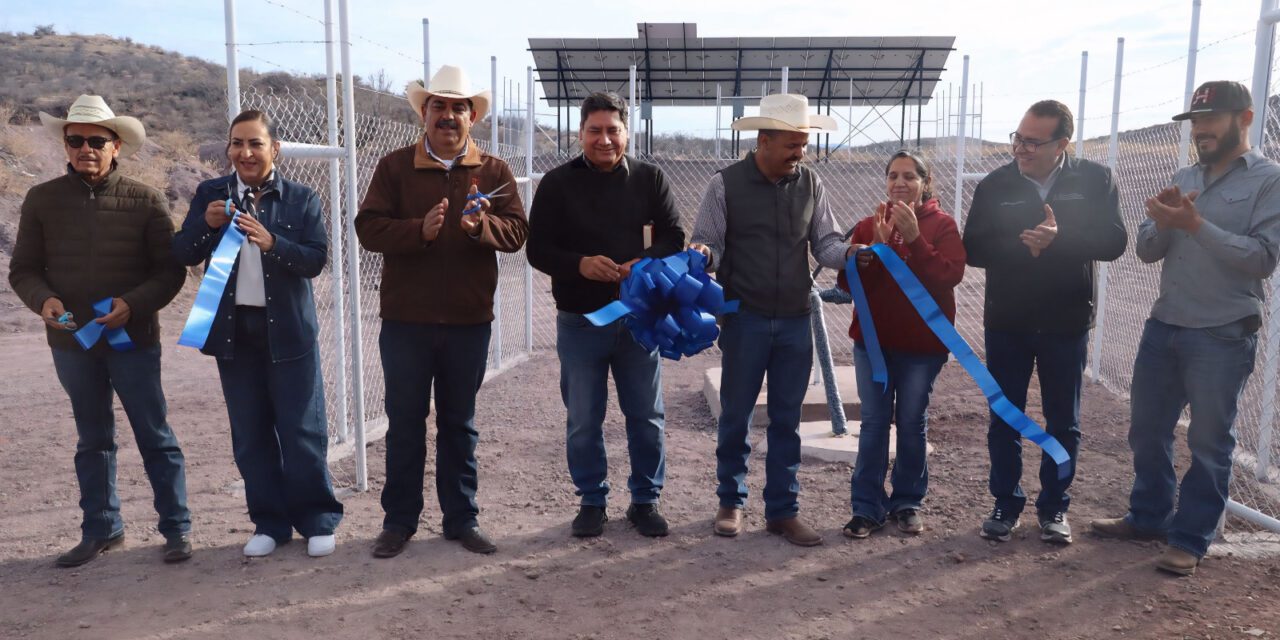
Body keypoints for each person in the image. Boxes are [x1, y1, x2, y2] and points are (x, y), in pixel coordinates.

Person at [1091, 81, 1280, 576]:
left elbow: (1262, 258)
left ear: (1245, 117)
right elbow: (1147, 251)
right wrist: (1164, 222)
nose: (1200, 130)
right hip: (1165, 326)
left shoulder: (1268, 180)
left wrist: (1196, 225)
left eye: (1210, 119)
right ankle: (1149, 516)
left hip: (1221, 333)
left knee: (1209, 442)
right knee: (1147, 431)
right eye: (1194, 121)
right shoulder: (1185, 174)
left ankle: (1190, 539)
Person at [9, 94, 191, 566]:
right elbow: (23, 269)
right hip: (71, 342)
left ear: (117, 146)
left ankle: (176, 531)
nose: (84, 148)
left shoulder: (146, 200)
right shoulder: (41, 199)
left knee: (155, 434)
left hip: (133, 341)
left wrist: (133, 305)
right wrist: (42, 301)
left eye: (96, 140)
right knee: (93, 439)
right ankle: (102, 530)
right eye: (75, 140)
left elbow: (170, 272)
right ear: (66, 145)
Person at [356, 65, 528, 558]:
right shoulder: (394, 167)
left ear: (472, 116)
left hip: (469, 321)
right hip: (406, 322)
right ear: (424, 113)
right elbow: (367, 228)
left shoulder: (494, 171)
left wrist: (479, 229)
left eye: (457, 108)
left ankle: (461, 519)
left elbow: (517, 233)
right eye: (438, 106)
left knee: (460, 423)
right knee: (404, 421)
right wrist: (419, 232)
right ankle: (399, 521)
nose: (448, 116)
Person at [173, 109, 344, 558]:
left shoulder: (302, 198)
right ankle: (269, 523)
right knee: (250, 433)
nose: (245, 152)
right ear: (228, 148)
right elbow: (183, 253)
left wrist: (274, 244)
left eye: (255, 143)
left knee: (302, 429)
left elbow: (314, 260)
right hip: (234, 332)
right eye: (236, 143)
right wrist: (206, 226)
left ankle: (317, 519)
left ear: (275, 149)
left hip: (288, 331)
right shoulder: (211, 193)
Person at [962, 99, 1127, 545]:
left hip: (1065, 321)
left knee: (1063, 421)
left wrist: (1060, 240)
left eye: (1033, 142)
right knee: (1005, 417)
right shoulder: (995, 184)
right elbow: (972, 246)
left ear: (1062, 144)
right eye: (1018, 138)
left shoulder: (1094, 180)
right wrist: (1026, 246)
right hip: (1008, 321)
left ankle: (1054, 508)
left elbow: (1114, 241)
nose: (1021, 149)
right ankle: (1005, 504)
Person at [690, 93, 849, 547]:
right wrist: (702, 254)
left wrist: (857, 254)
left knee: (787, 420)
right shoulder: (723, 185)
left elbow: (826, 245)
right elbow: (709, 243)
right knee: (736, 416)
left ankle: (783, 510)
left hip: (797, 321)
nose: (801, 152)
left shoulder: (812, 185)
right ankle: (731, 501)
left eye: (804, 143)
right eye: (793, 144)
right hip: (745, 320)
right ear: (764, 140)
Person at [527, 92, 685, 538]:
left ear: (626, 133)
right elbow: (537, 249)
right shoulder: (557, 184)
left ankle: (645, 500)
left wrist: (645, 260)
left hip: (639, 320)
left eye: (613, 130)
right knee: (583, 417)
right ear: (580, 133)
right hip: (580, 321)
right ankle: (592, 500)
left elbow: (675, 234)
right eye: (594, 130)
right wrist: (579, 264)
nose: (604, 140)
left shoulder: (650, 180)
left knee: (646, 415)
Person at [838, 151, 965, 539]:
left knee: (911, 422)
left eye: (910, 176)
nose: (900, 183)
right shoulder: (868, 224)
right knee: (874, 424)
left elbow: (949, 275)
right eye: (893, 175)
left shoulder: (942, 226)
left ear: (926, 182)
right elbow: (848, 286)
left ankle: (907, 502)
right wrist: (870, 255)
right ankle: (866, 507)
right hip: (872, 345)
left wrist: (913, 240)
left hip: (921, 348)